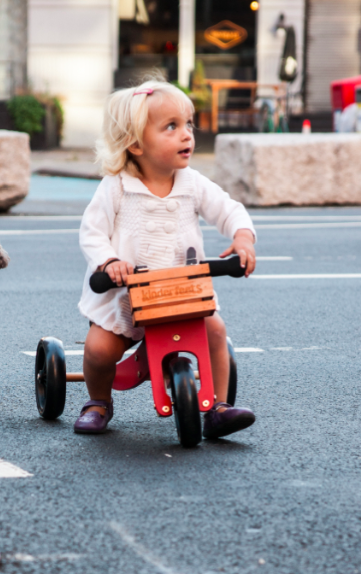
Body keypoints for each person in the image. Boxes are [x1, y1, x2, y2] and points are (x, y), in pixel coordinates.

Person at [75, 80, 256, 439]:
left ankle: (217, 406)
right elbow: (91, 232)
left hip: (182, 296)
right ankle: (98, 401)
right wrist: (109, 262)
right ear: (136, 143)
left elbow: (228, 209)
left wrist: (242, 236)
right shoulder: (117, 186)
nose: (186, 134)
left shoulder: (193, 183)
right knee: (99, 350)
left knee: (215, 331)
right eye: (171, 127)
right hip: (124, 299)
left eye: (188, 124)